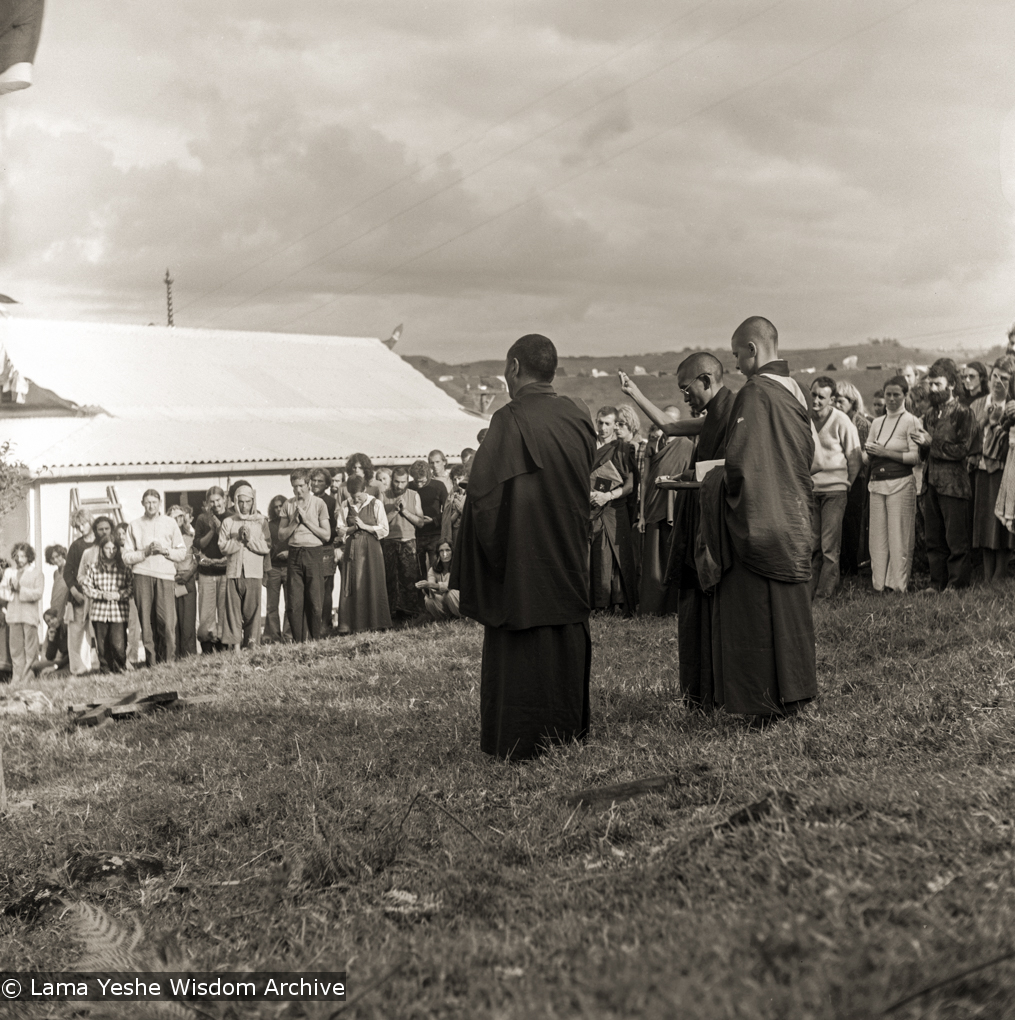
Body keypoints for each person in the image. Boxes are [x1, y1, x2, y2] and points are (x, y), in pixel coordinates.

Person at [452, 333, 597, 759]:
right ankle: (568, 732)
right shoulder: (579, 414)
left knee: (522, 636)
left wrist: (486, 548)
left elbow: (484, 496)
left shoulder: (509, 418)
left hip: (524, 553)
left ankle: (521, 738)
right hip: (569, 545)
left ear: (514, 368)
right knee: (565, 627)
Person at [701, 317, 817, 718]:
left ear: (752, 349)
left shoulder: (754, 392)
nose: (735, 364)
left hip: (761, 520)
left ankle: (759, 700)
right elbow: (804, 455)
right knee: (790, 613)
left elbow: (742, 464)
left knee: (755, 613)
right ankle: (797, 693)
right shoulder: (796, 391)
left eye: (736, 354)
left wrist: (712, 479)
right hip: (793, 514)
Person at [622, 352, 736, 703]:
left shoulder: (733, 411)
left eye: (687, 389)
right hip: (700, 508)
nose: (684, 397)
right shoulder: (712, 415)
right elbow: (669, 427)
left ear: (706, 380)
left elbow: (735, 464)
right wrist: (635, 394)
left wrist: (691, 479)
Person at [914, 359, 975, 592]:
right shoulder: (930, 415)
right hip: (931, 483)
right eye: (930, 384)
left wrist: (931, 442)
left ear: (951, 384)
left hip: (954, 485)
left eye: (937, 384)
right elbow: (924, 454)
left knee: (956, 539)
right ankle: (936, 583)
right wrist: (921, 443)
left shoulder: (963, 413)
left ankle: (957, 585)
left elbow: (963, 450)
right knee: (934, 539)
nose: (932, 389)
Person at [863, 376, 923, 592]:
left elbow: (915, 458)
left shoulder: (912, 421)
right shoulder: (877, 423)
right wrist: (866, 454)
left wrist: (885, 452)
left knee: (899, 537)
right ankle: (878, 584)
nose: (891, 399)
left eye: (896, 394)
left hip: (901, 483)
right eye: (888, 394)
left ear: (905, 396)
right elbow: (866, 454)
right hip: (877, 483)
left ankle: (898, 585)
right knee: (877, 537)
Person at [808, 376, 861, 599]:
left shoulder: (841, 421)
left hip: (835, 491)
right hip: (810, 490)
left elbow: (854, 457)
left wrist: (845, 484)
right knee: (812, 545)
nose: (816, 400)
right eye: (813, 395)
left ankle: (824, 594)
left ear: (831, 399)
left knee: (830, 545)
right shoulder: (805, 419)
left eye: (822, 397)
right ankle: (807, 593)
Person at [121, 490, 186, 665]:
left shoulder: (170, 523)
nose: (151, 506)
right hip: (142, 575)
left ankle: (169, 661)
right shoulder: (134, 525)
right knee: (146, 622)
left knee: (167, 622)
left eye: (154, 502)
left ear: (160, 503)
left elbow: (182, 553)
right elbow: (126, 557)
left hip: (165, 576)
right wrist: (145, 552)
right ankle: (152, 663)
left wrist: (165, 551)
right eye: (148, 502)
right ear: (142, 503)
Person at [970, 357, 1015, 584]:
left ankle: (999, 575)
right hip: (980, 470)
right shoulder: (978, 404)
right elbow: (967, 436)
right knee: (984, 522)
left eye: (1004, 378)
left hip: (1004, 471)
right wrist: (986, 420)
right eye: (995, 375)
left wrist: (999, 423)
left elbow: (1009, 445)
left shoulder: (1012, 406)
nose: (998, 381)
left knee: (1001, 522)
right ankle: (988, 576)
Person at [589, 406, 637, 614]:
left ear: (616, 425)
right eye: (600, 422)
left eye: (607, 423)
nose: (602, 427)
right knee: (597, 553)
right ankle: (598, 604)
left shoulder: (623, 448)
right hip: (591, 507)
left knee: (617, 553)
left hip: (614, 508)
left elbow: (630, 485)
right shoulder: (588, 447)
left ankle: (619, 604)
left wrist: (607, 495)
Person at [278, 468, 331, 642]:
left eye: (301, 486)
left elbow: (326, 535)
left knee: (315, 602)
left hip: (313, 553)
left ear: (308, 484)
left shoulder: (319, 504)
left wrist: (307, 521)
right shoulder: (288, 505)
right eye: (294, 487)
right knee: (294, 603)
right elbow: (281, 535)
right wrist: (295, 521)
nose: (298, 490)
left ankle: (315, 641)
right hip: (294, 554)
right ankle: (299, 643)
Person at [335, 474, 392, 634]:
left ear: (364, 490)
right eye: (353, 497)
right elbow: (340, 529)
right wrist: (349, 530)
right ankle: (353, 625)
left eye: (358, 496)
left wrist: (365, 526)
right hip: (352, 550)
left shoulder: (376, 503)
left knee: (372, 582)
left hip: (371, 550)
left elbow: (384, 529)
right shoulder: (345, 505)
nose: (356, 499)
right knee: (352, 585)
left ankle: (377, 623)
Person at [219, 483, 271, 649]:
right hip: (234, 572)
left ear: (253, 502)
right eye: (240, 501)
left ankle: (252, 645)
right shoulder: (228, 522)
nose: (244, 505)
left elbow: (267, 547)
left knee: (252, 611)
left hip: (253, 573)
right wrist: (238, 541)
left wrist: (249, 541)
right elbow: (222, 547)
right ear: (235, 501)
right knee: (233, 612)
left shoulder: (260, 521)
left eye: (248, 502)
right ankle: (235, 648)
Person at [832, 381, 871, 578]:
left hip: (854, 481)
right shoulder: (833, 421)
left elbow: (861, 457)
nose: (836, 405)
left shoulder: (861, 424)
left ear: (852, 403)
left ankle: (850, 571)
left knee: (851, 526)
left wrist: (847, 482)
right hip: (838, 479)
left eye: (841, 401)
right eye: (835, 401)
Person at [382, 466, 428, 623]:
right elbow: (380, 524)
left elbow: (421, 522)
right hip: (389, 542)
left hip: (408, 542)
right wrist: (394, 510)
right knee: (390, 580)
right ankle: (391, 617)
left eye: (402, 482)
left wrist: (405, 512)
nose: (399, 486)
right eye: (396, 481)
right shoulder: (383, 496)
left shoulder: (414, 495)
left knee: (409, 580)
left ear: (407, 481)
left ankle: (410, 616)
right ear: (392, 480)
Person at [81, 538, 133, 673]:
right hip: (99, 612)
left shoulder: (124, 568)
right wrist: (101, 594)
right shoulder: (94, 568)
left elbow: (132, 587)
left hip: (119, 612)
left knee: (118, 644)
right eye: (107, 548)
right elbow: (86, 587)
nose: (111, 552)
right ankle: (105, 671)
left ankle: (120, 669)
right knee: (102, 645)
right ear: (101, 550)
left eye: (114, 548)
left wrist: (119, 595)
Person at [193, 485, 229, 653]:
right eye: (212, 502)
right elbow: (199, 544)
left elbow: (231, 544)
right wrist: (213, 531)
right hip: (207, 572)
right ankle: (207, 646)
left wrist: (221, 528)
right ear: (207, 503)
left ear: (225, 500)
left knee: (224, 611)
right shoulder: (202, 519)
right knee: (206, 612)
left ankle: (223, 643)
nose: (215, 504)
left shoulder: (232, 517)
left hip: (226, 571)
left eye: (218, 500)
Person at [2, 542, 44, 685]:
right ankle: (16, 677)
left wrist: (21, 589)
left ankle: (28, 677)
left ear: (29, 557)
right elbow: (2, 592)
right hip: (13, 614)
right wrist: (9, 589)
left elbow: (38, 593)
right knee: (15, 649)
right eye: (17, 556)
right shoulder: (10, 572)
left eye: (23, 556)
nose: (20, 559)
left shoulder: (36, 572)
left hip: (29, 615)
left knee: (30, 648)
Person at [63, 508, 95, 675]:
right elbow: (67, 572)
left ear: (90, 521)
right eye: (77, 526)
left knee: (95, 633)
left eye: (83, 524)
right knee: (76, 634)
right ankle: (78, 669)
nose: (81, 528)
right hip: (78, 596)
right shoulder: (76, 546)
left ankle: (95, 666)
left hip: (98, 596)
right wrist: (75, 591)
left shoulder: (102, 543)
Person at [167, 505, 198, 657]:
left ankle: (189, 656)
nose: (177, 521)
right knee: (174, 622)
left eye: (180, 517)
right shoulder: (165, 539)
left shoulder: (191, 537)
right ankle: (176, 657)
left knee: (187, 622)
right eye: (174, 517)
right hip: (171, 579)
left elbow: (199, 559)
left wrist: (188, 575)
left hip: (188, 578)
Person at [310, 468, 338, 635]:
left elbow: (335, 528)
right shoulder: (307, 501)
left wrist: (321, 534)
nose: (315, 483)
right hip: (310, 549)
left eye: (320, 481)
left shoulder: (331, 502)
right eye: (313, 480)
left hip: (326, 548)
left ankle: (325, 625)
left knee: (326, 588)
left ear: (327, 484)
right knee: (313, 587)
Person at [408, 458, 448, 575]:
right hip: (416, 535)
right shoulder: (409, 487)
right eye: (417, 481)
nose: (419, 484)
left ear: (428, 475)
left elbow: (447, 510)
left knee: (436, 569)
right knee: (418, 572)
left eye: (422, 481)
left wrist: (434, 520)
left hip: (434, 534)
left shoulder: (438, 486)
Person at [114, 521, 143, 667]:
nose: (121, 536)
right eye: (118, 534)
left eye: (123, 533)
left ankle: (132, 657)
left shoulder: (134, 550)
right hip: (118, 592)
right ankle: (121, 658)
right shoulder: (114, 551)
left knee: (134, 625)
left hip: (132, 591)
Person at [263, 495, 289, 643]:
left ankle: (287, 637)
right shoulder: (269, 524)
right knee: (272, 606)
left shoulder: (290, 523)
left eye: (281, 506)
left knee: (289, 605)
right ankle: (275, 638)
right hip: (273, 568)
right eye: (276, 507)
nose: (279, 509)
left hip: (289, 568)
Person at [418, 541, 460, 620]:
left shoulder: (459, 566)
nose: (444, 554)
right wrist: (426, 588)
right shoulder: (433, 569)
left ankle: (463, 616)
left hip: (460, 601)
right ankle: (445, 618)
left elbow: (452, 585)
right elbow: (431, 586)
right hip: (446, 601)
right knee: (429, 600)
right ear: (438, 553)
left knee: (450, 594)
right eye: (441, 551)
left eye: (447, 550)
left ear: (452, 552)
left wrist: (433, 585)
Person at [440, 464, 468, 550]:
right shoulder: (451, 496)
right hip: (456, 532)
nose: (457, 482)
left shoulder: (472, 493)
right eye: (454, 479)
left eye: (459, 478)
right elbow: (448, 521)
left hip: (469, 530)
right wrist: (457, 511)